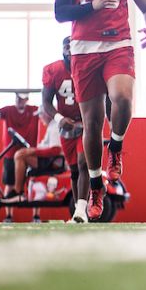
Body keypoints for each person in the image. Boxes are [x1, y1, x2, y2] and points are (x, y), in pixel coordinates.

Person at [53, 0, 146, 221]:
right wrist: (92, 6)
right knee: (92, 122)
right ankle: (96, 182)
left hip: (118, 44)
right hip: (84, 49)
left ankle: (117, 145)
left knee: (123, 97)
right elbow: (60, 13)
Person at [39, 37, 89, 222]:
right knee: (75, 170)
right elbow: (46, 101)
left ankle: (82, 210)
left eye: (73, 45)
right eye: (66, 45)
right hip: (66, 125)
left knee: (84, 163)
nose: (69, 48)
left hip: (86, 124)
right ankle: (78, 211)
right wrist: (59, 119)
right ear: (62, 49)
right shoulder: (53, 70)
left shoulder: (89, 66)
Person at [0, 92, 40, 222]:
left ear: (27, 99)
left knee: (34, 184)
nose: (19, 100)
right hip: (11, 154)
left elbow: (47, 109)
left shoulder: (33, 110)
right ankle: (8, 216)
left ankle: (36, 216)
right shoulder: (8, 110)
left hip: (29, 154)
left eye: (22, 98)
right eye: (18, 97)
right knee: (9, 184)